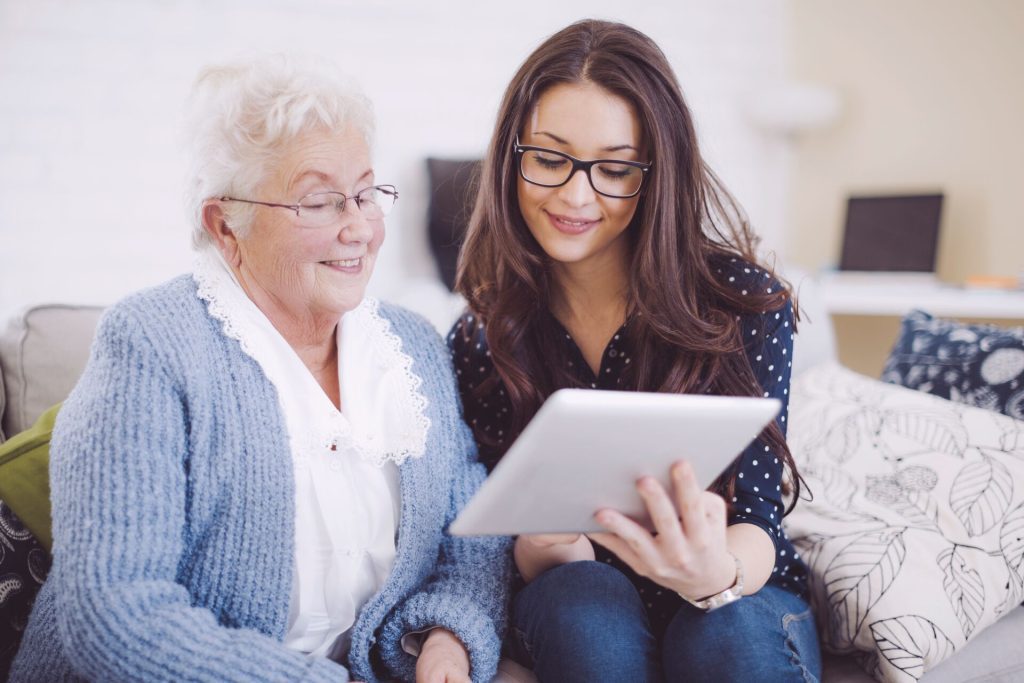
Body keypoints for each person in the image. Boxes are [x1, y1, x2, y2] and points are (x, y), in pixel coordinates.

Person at [10, 55, 511, 683]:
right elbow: (117, 618)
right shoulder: (150, 345)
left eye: (364, 192)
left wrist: (447, 638)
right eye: (321, 201)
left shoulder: (410, 348)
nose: (359, 227)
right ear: (226, 225)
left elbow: (472, 536)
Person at [448, 20, 821, 683]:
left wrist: (714, 575)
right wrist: (543, 550)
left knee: (723, 625)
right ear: (512, 155)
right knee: (583, 606)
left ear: (655, 174)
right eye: (549, 157)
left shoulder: (742, 304)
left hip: (740, 593)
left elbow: (760, 520)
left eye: (615, 168)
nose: (576, 194)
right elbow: (500, 546)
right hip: (584, 603)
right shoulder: (485, 335)